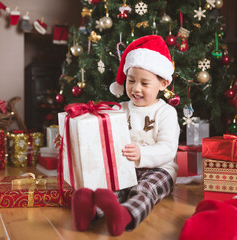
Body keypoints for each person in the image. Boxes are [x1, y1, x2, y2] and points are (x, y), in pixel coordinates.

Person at [55, 35, 180, 236]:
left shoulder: (165, 113)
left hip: (159, 169)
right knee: (112, 190)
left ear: (163, 83)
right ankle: (89, 212)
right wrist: (69, 138)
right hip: (123, 167)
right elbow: (98, 133)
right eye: (131, 81)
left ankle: (125, 215)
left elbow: (168, 149)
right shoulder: (118, 109)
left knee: (145, 190)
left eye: (144, 83)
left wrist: (142, 153)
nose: (136, 88)